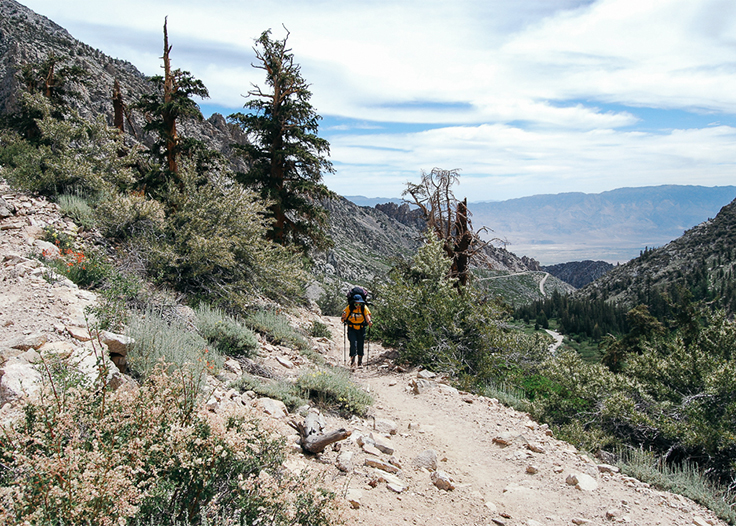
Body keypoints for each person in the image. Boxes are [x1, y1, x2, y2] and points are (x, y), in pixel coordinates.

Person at [341, 294, 372, 368]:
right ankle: (352, 362)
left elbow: (367, 315)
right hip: (352, 328)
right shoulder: (349, 308)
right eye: (356, 304)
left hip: (361, 328)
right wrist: (343, 317)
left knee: (360, 344)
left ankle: (360, 362)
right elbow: (343, 319)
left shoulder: (364, 308)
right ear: (353, 303)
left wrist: (369, 322)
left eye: (360, 304)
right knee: (353, 344)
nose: (358, 305)